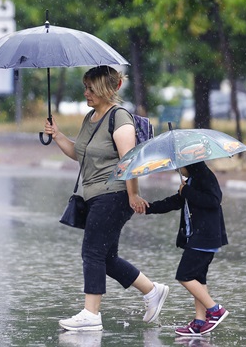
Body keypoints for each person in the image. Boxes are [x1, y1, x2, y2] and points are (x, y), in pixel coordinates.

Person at [44, 65, 169, 331]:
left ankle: (91, 314)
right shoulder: (90, 117)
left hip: (113, 194)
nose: (86, 93)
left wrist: (133, 194)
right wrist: (57, 135)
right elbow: (80, 154)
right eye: (85, 87)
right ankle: (152, 291)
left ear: (104, 89)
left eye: (91, 88)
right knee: (106, 257)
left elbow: (130, 161)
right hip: (94, 195)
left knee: (91, 251)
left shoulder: (119, 118)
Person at [143, 162, 229, 336]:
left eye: (179, 166)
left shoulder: (204, 176)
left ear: (190, 164)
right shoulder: (191, 180)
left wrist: (187, 191)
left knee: (184, 276)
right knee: (198, 279)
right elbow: (176, 201)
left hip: (204, 237)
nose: (177, 170)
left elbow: (214, 200)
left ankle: (215, 310)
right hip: (197, 238)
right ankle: (199, 322)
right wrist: (148, 208)